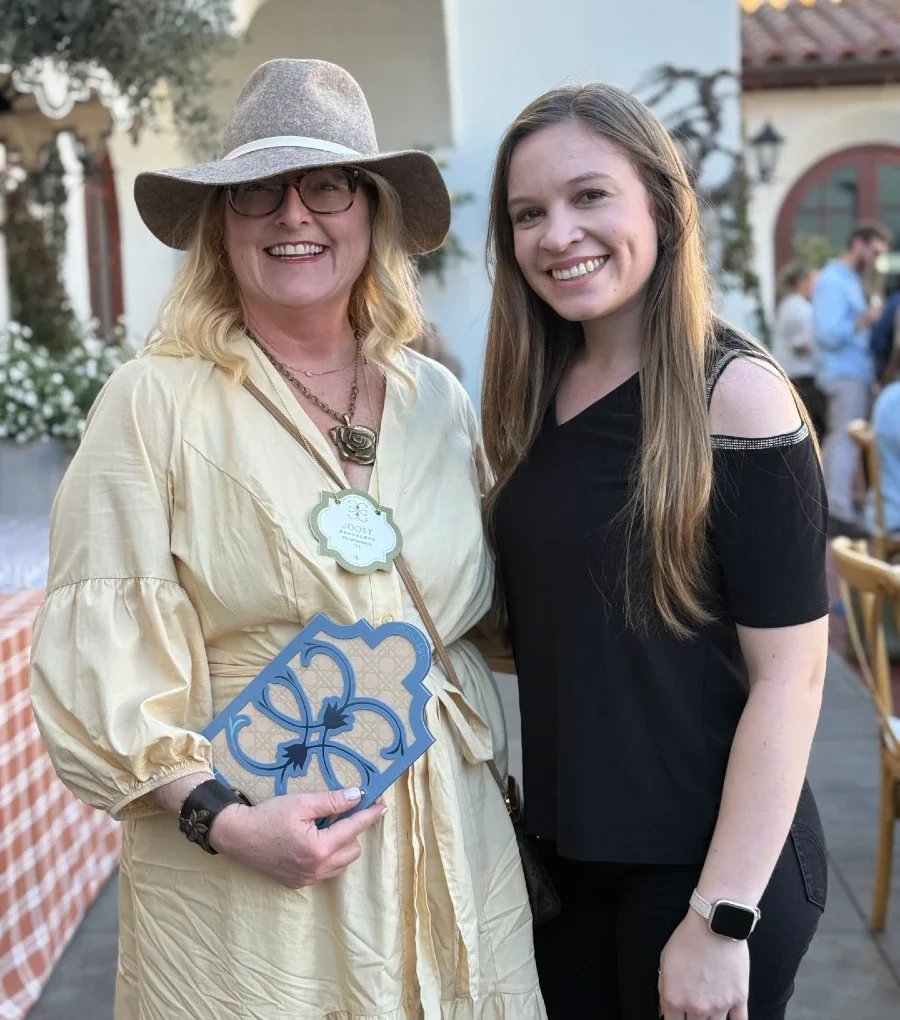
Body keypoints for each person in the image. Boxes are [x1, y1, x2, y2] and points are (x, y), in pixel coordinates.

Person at [29, 59, 545, 1020]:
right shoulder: (154, 401)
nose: (293, 216)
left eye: (327, 186)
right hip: (251, 859)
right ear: (221, 227)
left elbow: (496, 606)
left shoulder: (436, 400)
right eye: (256, 192)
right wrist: (222, 821)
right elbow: (99, 666)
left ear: (374, 211)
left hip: (446, 829)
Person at [481, 83, 829, 1020]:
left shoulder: (737, 395)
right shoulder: (533, 393)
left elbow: (791, 678)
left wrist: (721, 919)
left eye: (590, 196)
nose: (558, 234)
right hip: (569, 860)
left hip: (709, 868)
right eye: (528, 213)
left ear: (661, 207)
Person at [812, 223, 891, 535]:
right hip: (844, 373)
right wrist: (865, 320)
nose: (875, 259)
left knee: (840, 440)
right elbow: (827, 334)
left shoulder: (847, 281)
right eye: (874, 252)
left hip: (851, 372)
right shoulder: (833, 281)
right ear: (858, 243)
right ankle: (838, 511)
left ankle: (832, 507)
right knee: (846, 438)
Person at [771, 262, 825, 439]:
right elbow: (800, 345)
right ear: (802, 281)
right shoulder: (796, 306)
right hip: (801, 378)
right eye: (813, 281)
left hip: (800, 378)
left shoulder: (792, 305)